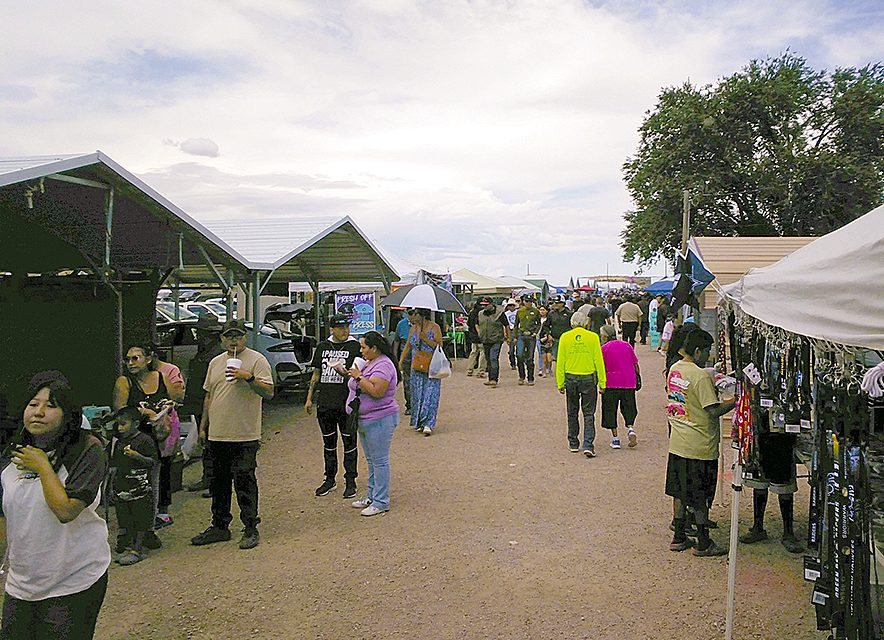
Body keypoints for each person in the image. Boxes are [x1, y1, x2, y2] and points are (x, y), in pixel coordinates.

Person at [1, 371, 110, 639]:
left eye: (51, 406)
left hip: (73, 579)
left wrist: (43, 466)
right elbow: (4, 516)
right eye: (33, 404)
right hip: (22, 583)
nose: (38, 412)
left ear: (67, 414)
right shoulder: (11, 452)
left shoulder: (88, 449)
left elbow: (65, 510)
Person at [191, 319, 273, 550]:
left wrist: (248, 377)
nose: (233, 340)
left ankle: (250, 527)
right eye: (229, 336)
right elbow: (209, 395)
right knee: (219, 482)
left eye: (238, 336)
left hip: (245, 433)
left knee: (245, 480)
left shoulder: (257, 360)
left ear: (245, 337)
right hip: (218, 434)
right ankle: (219, 526)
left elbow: (269, 392)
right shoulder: (215, 362)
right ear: (222, 339)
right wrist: (203, 426)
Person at [665, 329, 735, 556]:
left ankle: (679, 536)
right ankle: (703, 542)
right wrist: (736, 400)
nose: (708, 355)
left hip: (678, 441)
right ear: (697, 351)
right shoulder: (700, 376)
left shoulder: (675, 369)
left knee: (679, 491)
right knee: (700, 495)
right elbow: (713, 411)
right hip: (700, 445)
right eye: (706, 351)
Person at [112, 343, 179, 546]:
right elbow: (119, 411)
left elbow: (174, 400)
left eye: (136, 358)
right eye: (128, 359)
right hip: (134, 441)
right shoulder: (125, 382)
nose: (131, 362)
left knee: (155, 483)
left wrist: (165, 409)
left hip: (158, 439)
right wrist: (144, 412)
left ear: (148, 359)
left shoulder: (161, 378)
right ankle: (128, 532)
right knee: (132, 485)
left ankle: (149, 527)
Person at [339, 331, 401, 516]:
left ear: (374, 348)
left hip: (380, 419)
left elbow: (377, 391)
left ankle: (381, 501)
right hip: (366, 419)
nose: (361, 350)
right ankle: (372, 495)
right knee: (371, 460)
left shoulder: (383, 365)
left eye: (364, 347)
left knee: (380, 461)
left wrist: (358, 376)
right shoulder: (370, 362)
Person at [305, 313, 362, 499]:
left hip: (346, 403)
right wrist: (309, 398)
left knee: (349, 443)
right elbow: (316, 373)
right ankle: (329, 479)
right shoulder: (323, 347)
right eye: (340, 327)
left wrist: (346, 373)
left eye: (347, 326)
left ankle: (351, 480)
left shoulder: (355, 346)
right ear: (332, 329)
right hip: (326, 403)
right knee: (328, 444)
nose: (345, 330)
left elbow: (360, 372)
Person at [739, 433, 804, 553]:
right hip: (760, 437)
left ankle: (788, 532)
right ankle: (758, 527)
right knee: (759, 484)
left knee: (785, 487)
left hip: (783, 438)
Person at [108, 406, 157, 566]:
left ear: (135, 424)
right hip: (123, 486)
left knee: (140, 518)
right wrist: (111, 485)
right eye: (118, 425)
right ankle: (129, 545)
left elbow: (153, 462)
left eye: (123, 424)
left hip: (140, 487)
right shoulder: (120, 442)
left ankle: (137, 549)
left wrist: (138, 456)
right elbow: (114, 465)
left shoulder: (145, 440)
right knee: (125, 517)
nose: (120, 428)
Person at [184, 316, 225, 497]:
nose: (197, 335)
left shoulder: (215, 354)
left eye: (200, 332)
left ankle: (214, 481)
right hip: (199, 402)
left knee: (212, 444)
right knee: (206, 444)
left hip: (211, 403)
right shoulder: (206, 350)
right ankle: (207, 478)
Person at [556, 312, 607, 457]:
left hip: (571, 377)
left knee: (572, 412)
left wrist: (560, 382)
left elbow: (561, 361)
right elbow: (599, 361)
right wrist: (602, 382)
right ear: (586, 323)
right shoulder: (593, 337)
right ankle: (588, 444)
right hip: (588, 379)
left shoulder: (565, 337)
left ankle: (573, 442)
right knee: (589, 413)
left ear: (572, 323)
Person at [397, 309, 442, 435]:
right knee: (417, 393)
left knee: (430, 393)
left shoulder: (434, 327)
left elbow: (439, 346)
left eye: (413, 314)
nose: (410, 317)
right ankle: (419, 421)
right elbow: (407, 346)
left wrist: (425, 339)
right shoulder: (413, 329)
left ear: (421, 314)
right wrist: (400, 361)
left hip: (431, 365)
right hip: (416, 364)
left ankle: (429, 422)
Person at [599, 325, 640, 449]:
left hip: (611, 382)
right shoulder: (627, 345)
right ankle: (630, 428)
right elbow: (635, 364)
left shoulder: (603, 348)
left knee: (610, 409)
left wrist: (600, 383)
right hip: (628, 381)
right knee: (629, 407)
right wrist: (637, 376)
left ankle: (615, 438)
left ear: (605, 336)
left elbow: (601, 367)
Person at [477, 298, 510, 389]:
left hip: (496, 339)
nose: (485, 306)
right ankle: (490, 378)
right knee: (488, 360)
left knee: (493, 358)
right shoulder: (481, 314)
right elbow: (477, 324)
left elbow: (506, 325)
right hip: (485, 339)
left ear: (491, 304)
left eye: (486, 304)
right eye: (483, 305)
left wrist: (508, 337)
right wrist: (479, 332)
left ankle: (494, 379)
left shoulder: (499, 313)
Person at [514, 296, 541, 386]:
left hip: (531, 336)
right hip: (521, 335)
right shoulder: (519, 311)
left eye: (530, 301)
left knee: (530, 358)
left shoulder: (535, 311)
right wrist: (515, 336)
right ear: (523, 302)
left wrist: (535, 332)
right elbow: (516, 324)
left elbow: (538, 324)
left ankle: (530, 378)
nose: (528, 303)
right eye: (527, 301)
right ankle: (521, 376)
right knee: (519, 355)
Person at [546, 297, 572, 364]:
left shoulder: (569, 314)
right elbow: (546, 326)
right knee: (557, 358)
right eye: (555, 302)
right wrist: (548, 335)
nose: (556, 304)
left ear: (563, 303)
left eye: (558, 303)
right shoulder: (551, 313)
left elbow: (572, 326)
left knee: (567, 358)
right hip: (555, 339)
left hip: (567, 340)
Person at [465, 301, 487, 378]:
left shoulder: (472, 313)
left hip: (473, 336)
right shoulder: (482, 313)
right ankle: (481, 371)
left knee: (473, 352)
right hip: (480, 335)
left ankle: (470, 370)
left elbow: (468, 324)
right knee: (482, 352)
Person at [537, 305, 553, 377]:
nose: (542, 311)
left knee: (549, 356)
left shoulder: (549, 319)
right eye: (541, 310)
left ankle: (548, 368)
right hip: (538, 337)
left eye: (543, 310)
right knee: (541, 354)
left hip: (547, 338)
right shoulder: (537, 319)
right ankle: (541, 369)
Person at [503, 300, 518, 370]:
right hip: (510, 331)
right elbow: (505, 325)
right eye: (510, 305)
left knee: (519, 349)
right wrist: (505, 334)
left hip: (518, 331)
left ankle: (520, 362)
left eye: (512, 305)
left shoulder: (518, 312)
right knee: (511, 350)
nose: (511, 307)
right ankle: (513, 363)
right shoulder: (506, 314)